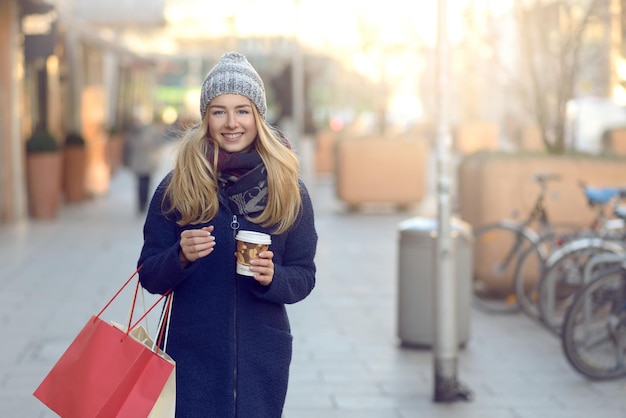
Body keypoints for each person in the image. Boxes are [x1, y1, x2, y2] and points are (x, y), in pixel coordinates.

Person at [137, 52, 318, 417]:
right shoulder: (178, 186)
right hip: (190, 357)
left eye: (242, 110)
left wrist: (273, 278)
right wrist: (180, 256)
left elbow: (304, 274)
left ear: (258, 117)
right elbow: (149, 274)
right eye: (219, 110)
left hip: (262, 358)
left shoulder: (288, 189)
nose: (231, 123)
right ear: (205, 118)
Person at [125, 112, 162, 214]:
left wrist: (152, 144)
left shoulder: (149, 130)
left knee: (147, 183)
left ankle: (144, 203)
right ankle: (141, 204)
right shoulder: (132, 133)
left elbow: (158, 143)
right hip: (138, 162)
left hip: (148, 162)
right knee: (140, 183)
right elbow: (128, 147)